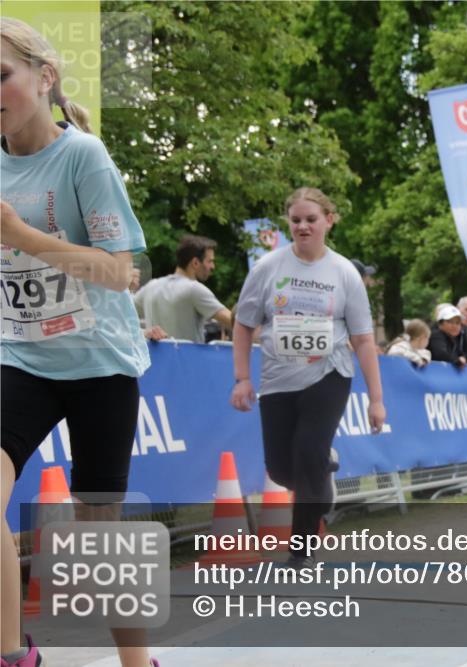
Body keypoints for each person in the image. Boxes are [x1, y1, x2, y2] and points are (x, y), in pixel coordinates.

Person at [0, 18, 159, 667]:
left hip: (99, 363)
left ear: (44, 78)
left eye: (1, 75)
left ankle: (137, 663)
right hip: (22, 358)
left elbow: (124, 272)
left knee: (100, 546)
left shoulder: (83, 157)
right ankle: (13, 654)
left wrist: (24, 236)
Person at [230, 187, 385, 569]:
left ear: (329, 221)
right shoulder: (267, 268)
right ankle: (322, 467)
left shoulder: (344, 272)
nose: (302, 226)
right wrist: (242, 378)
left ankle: (300, 550)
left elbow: (363, 340)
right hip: (278, 379)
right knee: (282, 470)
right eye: (296, 220)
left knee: (306, 455)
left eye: (311, 219)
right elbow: (243, 324)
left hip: (329, 374)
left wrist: (376, 399)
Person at [132, 234, 232, 343]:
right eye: (210, 261)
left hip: (155, 359)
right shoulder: (194, 289)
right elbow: (234, 321)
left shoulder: (150, 287)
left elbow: (123, 316)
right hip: (188, 358)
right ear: (195, 263)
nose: (213, 266)